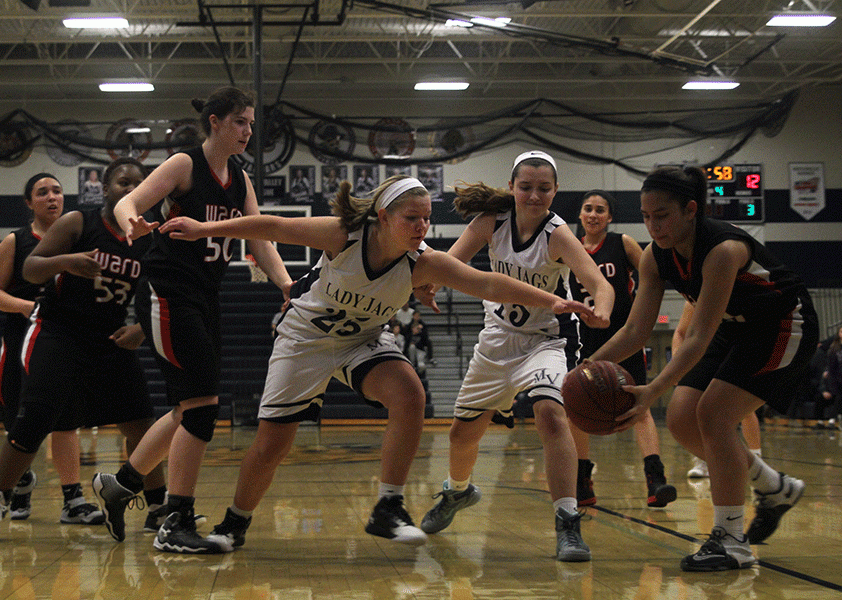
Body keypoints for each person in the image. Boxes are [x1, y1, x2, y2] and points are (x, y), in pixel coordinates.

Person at [156, 174, 595, 550]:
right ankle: (235, 523)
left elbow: (491, 285)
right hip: (304, 341)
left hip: (361, 340)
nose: (422, 226)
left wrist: (556, 301)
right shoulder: (342, 235)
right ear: (382, 216)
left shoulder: (422, 263)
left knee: (409, 394)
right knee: (272, 446)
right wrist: (202, 229)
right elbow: (272, 225)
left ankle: (388, 506)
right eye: (412, 218)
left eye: (427, 218)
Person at [92, 86, 293, 554]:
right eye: (240, 122)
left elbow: (259, 235)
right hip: (166, 292)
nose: (248, 131)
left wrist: (285, 284)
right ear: (216, 122)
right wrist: (129, 223)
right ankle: (174, 519)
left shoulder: (241, 180)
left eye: (251, 123)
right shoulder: (185, 165)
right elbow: (130, 203)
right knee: (202, 408)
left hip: (205, 298)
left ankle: (120, 485)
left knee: (189, 407)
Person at [588, 165, 817, 572]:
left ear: (691, 209)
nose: (653, 225)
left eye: (662, 215)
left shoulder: (723, 249)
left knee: (712, 415)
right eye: (645, 216)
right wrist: (587, 366)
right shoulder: (656, 257)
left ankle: (732, 541)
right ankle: (774, 487)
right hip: (734, 329)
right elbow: (637, 329)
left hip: (784, 325)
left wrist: (651, 391)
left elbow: (696, 337)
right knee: (681, 420)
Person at [418, 151, 614, 563]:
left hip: (547, 339)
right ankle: (457, 492)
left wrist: (603, 306)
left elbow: (596, 281)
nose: (534, 195)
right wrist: (430, 284)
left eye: (544, 188)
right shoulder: (491, 222)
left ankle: (567, 521)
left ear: (555, 191)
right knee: (461, 435)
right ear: (512, 187)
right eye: (525, 187)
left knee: (550, 413)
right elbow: (450, 263)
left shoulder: (558, 234)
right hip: (497, 339)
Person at [0, 158, 165, 536]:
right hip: (60, 332)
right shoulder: (79, 222)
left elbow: (160, 293)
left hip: (110, 338)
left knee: (140, 421)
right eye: (123, 182)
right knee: (36, 416)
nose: (131, 189)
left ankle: (159, 506)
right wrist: (68, 262)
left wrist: (140, 327)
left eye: (139, 184)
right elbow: (30, 269)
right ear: (105, 189)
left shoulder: (148, 239)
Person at [0, 173, 96, 523]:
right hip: (22, 336)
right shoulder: (15, 242)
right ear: (29, 202)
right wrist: (24, 306)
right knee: (18, 416)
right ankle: (21, 479)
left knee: (65, 419)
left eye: (58, 191)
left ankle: (73, 498)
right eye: (42, 192)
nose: (52, 197)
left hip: (63, 338)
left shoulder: (78, 237)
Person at [566, 190, 676, 508]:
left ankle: (655, 477)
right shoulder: (567, 248)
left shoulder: (622, 243)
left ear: (610, 217)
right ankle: (582, 480)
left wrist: (642, 307)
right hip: (581, 339)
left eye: (601, 210)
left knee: (637, 403)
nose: (594, 214)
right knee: (577, 405)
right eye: (588, 209)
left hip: (623, 336)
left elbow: (653, 274)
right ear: (581, 215)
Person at [674, 302, 763, 478]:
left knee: (744, 409)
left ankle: (757, 458)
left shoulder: (737, 292)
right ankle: (703, 461)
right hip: (705, 357)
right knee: (698, 409)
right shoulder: (695, 298)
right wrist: (678, 362)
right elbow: (680, 332)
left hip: (735, 353)